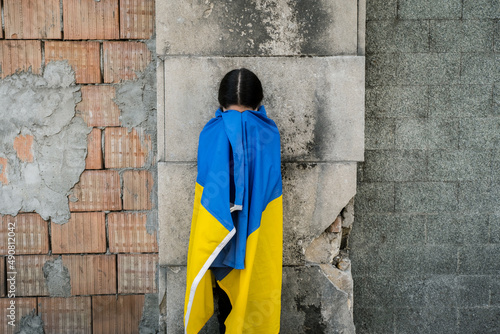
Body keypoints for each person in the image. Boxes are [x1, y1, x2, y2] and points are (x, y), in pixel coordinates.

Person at [184, 68, 283, 333]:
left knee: (224, 306)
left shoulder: (212, 132)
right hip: (256, 235)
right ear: (259, 101)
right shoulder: (269, 134)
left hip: (218, 238)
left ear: (220, 101)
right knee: (251, 298)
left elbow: (207, 185)